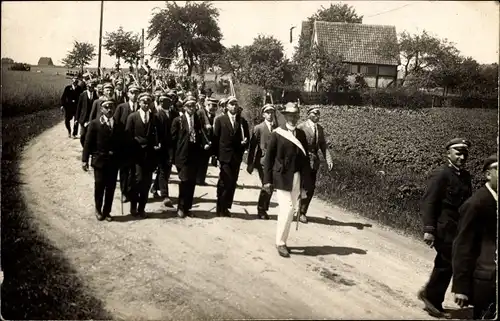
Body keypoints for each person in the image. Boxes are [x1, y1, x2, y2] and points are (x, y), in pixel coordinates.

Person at [418, 138, 473, 318]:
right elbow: (429, 201)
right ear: (448, 153)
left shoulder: (465, 177)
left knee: (448, 263)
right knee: (446, 263)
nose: (462, 157)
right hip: (443, 228)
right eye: (458, 153)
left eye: (464, 153)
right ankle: (432, 300)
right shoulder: (441, 174)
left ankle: (429, 294)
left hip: (458, 229)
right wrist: (429, 229)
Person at [262, 102, 311, 258]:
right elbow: (268, 159)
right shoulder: (277, 134)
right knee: (287, 209)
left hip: (296, 177)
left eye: (295, 115)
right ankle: (281, 243)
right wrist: (267, 181)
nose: (293, 118)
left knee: (290, 212)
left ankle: (282, 239)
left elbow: (305, 160)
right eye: (290, 115)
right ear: (285, 116)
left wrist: (306, 182)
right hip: (282, 177)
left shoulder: (301, 135)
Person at [452, 154, 497, 320]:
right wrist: (461, 287)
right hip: (486, 280)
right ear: (488, 174)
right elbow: (463, 245)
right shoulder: (476, 204)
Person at [82, 99, 123, 222]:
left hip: (113, 162)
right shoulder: (95, 124)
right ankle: (98, 209)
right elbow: (88, 143)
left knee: (111, 187)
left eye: (111, 107)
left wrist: (122, 158)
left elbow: (122, 144)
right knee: (99, 185)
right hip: (99, 161)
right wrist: (84, 159)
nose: (109, 109)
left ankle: (107, 211)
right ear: (101, 109)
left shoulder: (119, 124)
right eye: (106, 107)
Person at [171, 96, 210, 218]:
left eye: (193, 105)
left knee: (192, 182)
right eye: (189, 105)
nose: (191, 108)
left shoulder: (198, 120)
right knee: (184, 181)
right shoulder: (178, 120)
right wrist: (172, 157)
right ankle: (181, 207)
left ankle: (188, 207)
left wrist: (205, 143)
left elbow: (201, 134)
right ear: (184, 107)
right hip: (182, 156)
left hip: (195, 155)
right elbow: (173, 139)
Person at [213, 96, 250, 217]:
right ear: (227, 106)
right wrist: (215, 156)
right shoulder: (220, 120)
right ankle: (220, 207)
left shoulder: (242, 122)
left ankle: (227, 207)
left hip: (236, 157)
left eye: (235, 104)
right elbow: (216, 139)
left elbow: (246, 138)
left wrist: (245, 144)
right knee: (224, 181)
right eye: (231, 104)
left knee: (233, 182)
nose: (234, 106)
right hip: (224, 156)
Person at [125, 92, 160, 218]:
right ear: (139, 103)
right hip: (137, 154)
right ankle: (133, 206)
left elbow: (157, 135)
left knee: (146, 182)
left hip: (149, 155)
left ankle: (142, 208)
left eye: (148, 102)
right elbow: (128, 136)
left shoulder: (154, 117)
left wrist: (157, 145)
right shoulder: (132, 117)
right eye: (144, 102)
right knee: (137, 180)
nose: (146, 104)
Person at [297, 107, 334, 223]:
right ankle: (294, 207)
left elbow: (323, 145)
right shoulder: (301, 127)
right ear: (309, 114)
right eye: (315, 113)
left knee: (310, 188)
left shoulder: (320, 129)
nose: (317, 115)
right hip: (302, 160)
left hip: (314, 162)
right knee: (299, 186)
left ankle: (302, 211)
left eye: (318, 114)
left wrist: (328, 159)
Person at [247, 104, 277, 219]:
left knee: (271, 186)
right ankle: (261, 210)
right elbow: (252, 147)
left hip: (274, 162)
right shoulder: (258, 128)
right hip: (262, 162)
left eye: (272, 112)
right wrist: (250, 163)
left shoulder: (277, 128)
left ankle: (264, 208)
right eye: (268, 112)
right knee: (266, 185)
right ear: (263, 114)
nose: (270, 114)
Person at [150, 92, 178, 207]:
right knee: (163, 169)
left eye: (166, 101)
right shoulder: (156, 115)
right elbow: (154, 131)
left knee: (167, 168)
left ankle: (155, 187)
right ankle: (165, 195)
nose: (163, 103)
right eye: (162, 101)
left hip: (172, 146)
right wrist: (156, 143)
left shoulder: (175, 114)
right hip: (161, 146)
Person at [114, 84, 141, 203]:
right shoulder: (121, 108)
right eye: (132, 92)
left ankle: (133, 192)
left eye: (136, 93)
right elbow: (116, 125)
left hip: (139, 146)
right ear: (128, 94)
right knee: (124, 170)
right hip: (124, 145)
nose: (134, 95)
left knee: (136, 171)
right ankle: (124, 192)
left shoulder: (143, 108)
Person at [195, 97, 217, 186]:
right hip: (201, 141)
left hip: (208, 142)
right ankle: (196, 178)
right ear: (208, 105)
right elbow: (199, 128)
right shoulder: (200, 113)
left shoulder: (212, 115)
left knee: (205, 161)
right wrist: (203, 143)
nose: (214, 108)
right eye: (213, 105)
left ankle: (201, 179)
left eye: (216, 106)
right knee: (198, 160)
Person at [75, 80, 99, 148]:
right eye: (90, 87)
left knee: (91, 134)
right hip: (83, 118)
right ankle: (84, 147)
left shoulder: (96, 94)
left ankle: (90, 149)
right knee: (83, 135)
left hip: (92, 118)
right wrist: (76, 119)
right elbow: (78, 107)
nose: (91, 88)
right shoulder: (82, 95)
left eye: (92, 87)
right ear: (87, 87)